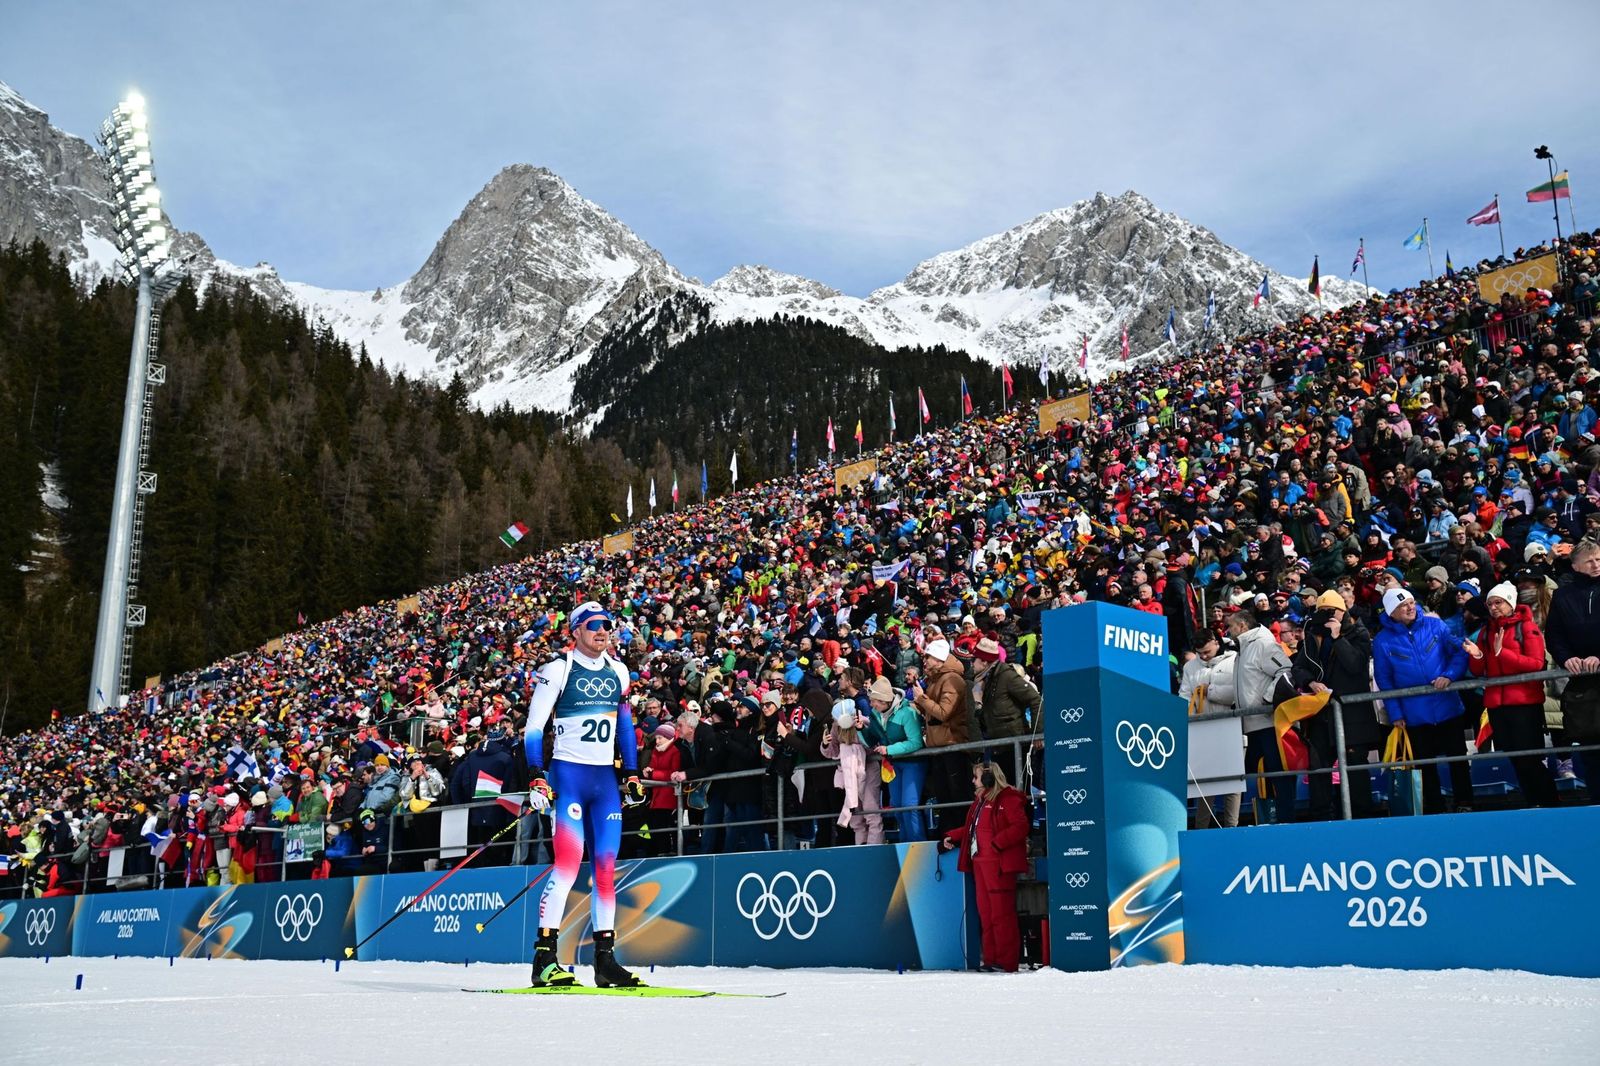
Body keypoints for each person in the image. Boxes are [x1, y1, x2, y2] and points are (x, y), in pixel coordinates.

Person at [523, 601, 644, 988]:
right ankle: (544, 959)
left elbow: (625, 726)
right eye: (593, 625)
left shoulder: (619, 671)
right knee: (568, 866)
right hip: (569, 776)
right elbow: (532, 728)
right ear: (575, 630)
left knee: (606, 870)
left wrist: (631, 772)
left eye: (607, 625)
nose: (602, 631)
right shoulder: (558, 669)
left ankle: (605, 962)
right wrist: (537, 777)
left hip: (604, 783)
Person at [1371, 587, 1475, 814]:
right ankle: (1434, 807)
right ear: (1391, 613)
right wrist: (1396, 713)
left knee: (1458, 759)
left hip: (1447, 705)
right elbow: (1384, 680)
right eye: (1402, 606)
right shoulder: (1382, 641)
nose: (1410, 607)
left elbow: (1459, 651)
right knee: (1425, 765)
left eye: (1410, 602)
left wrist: (1449, 675)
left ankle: (1465, 803)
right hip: (1414, 713)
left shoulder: (1435, 625)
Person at [1468, 582, 1560, 808]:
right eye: (1490, 604)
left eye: (1498, 602)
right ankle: (1532, 803)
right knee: (1516, 759)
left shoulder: (1527, 627)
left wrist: (1503, 653)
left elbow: (1537, 664)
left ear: (1510, 602)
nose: (1493, 607)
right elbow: (1479, 671)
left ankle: (1549, 802)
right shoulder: (1486, 631)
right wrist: (1478, 655)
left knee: (1530, 759)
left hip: (1524, 704)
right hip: (1497, 706)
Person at [1293, 589, 1381, 819]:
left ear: (1343, 611)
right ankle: (1321, 818)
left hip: (1352, 715)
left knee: (1354, 767)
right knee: (1318, 767)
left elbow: (1355, 666)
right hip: (1321, 713)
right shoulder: (1313, 635)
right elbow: (1298, 667)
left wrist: (1338, 637)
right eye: (1321, 612)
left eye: (1331, 611)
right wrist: (1310, 682)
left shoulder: (1359, 632)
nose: (1326, 616)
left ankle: (1362, 817)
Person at [938, 761, 1028, 973]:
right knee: (986, 915)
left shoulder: (1008, 798)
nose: (972, 781)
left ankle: (1006, 962)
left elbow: (1021, 826)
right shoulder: (979, 802)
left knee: (1001, 915)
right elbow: (970, 829)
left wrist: (998, 843)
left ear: (988, 779)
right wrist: (950, 836)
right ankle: (991, 959)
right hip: (980, 865)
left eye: (976, 777)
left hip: (998, 867)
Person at [1228, 610, 1296, 823]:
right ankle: (1267, 818)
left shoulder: (1262, 644)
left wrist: (1268, 699)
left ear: (1242, 626)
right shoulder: (1243, 649)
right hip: (1251, 725)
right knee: (1255, 774)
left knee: (1278, 772)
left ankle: (1286, 820)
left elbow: (1286, 670)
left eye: (1230, 626)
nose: (1227, 631)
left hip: (1268, 722)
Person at [1544, 538, 1600, 794]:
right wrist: (1566, 658)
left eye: (1599, 559)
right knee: (1591, 748)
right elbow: (1554, 635)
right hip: (1582, 685)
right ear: (1575, 566)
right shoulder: (1563, 595)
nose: (1596, 564)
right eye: (1589, 560)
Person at [1178, 631, 1241, 828]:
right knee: (1204, 783)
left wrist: (1209, 691)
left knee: (1233, 781)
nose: (1203, 656)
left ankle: (1232, 828)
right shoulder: (1190, 666)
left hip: (1230, 725)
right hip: (1202, 729)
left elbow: (1236, 693)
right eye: (1200, 653)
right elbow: (1185, 695)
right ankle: (1201, 828)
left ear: (1216, 641)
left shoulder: (1234, 659)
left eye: (1206, 651)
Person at [912, 638, 973, 832]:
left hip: (952, 744)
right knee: (944, 795)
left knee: (957, 795)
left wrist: (922, 698)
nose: (925, 660)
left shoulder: (952, 679)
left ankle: (961, 833)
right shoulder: (936, 679)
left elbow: (944, 713)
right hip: (938, 745)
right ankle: (947, 834)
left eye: (928, 657)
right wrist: (920, 705)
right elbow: (933, 714)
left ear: (938, 659)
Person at [971, 637, 1042, 790]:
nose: (972, 663)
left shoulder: (1006, 675)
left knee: (1018, 793)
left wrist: (1037, 733)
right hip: (999, 745)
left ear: (984, 662)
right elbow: (990, 714)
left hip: (1013, 745)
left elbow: (1035, 699)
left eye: (974, 659)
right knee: (1004, 794)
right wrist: (978, 703)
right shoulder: (986, 679)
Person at [865, 675, 926, 842]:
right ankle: (905, 845)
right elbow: (871, 739)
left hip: (912, 763)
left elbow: (916, 742)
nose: (872, 704)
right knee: (897, 806)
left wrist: (889, 749)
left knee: (909, 806)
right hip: (893, 764)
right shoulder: (875, 714)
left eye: (874, 701)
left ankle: (918, 844)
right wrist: (860, 729)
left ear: (884, 700)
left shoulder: (907, 712)